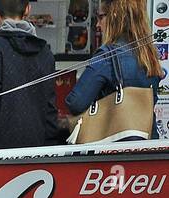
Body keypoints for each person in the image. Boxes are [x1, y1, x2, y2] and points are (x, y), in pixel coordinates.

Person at [0, 1, 66, 149]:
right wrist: (49, 149)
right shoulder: (45, 53)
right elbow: (50, 110)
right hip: (38, 154)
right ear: (28, 9)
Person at [66, 0, 165, 141]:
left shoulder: (107, 55)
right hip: (148, 141)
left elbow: (76, 102)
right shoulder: (149, 54)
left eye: (100, 17)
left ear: (114, 16)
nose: (97, 25)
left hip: (115, 145)